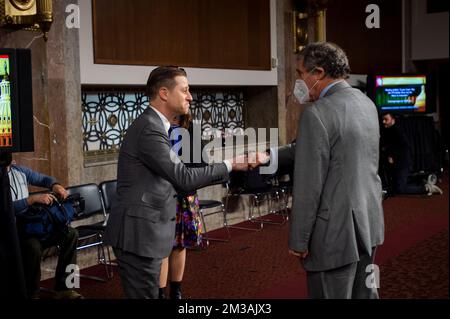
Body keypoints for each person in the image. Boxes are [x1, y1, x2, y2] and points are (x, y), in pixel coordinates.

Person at [253, 42, 384, 299]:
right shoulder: (366, 103)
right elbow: (331, 148)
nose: (299, 81)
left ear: (319, 73)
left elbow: (308, 187)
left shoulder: (317, 114)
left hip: (333, 232)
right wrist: (268, 156)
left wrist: (299, 241)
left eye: (301, 74)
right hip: (368, 221)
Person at [104, 66, 248, 299]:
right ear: (164, 93)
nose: (190, 96)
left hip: (146, 230)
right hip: (137, 234)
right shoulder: (150, 129)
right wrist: (231, 164)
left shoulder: (159, 125)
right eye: (185, 90)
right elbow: (183, 177)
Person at [7, 160, 82, 299]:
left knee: (72, 234)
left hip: (33, 225)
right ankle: (32, 293)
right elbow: (5, 208)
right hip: (14, 231)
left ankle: (66, 288)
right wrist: (32, 199)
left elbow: (42, 178)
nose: (13, 159)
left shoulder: (19, 170)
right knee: (33, 246)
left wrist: (55, 185)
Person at [159, 113, 204, 299]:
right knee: (163, 247)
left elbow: (199, 162)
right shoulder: (158, 125)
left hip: (185, 195)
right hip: (164, 194)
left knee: (180, 245)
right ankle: (160, 293)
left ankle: (176, 291)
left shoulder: (191, 127)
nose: (188, 98)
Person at [380, 112, 442, 196]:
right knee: (395, 188)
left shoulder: (397, 130)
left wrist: (391, 155)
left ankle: (427, 188)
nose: (383, 121)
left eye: (386, 119)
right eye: (383, 120)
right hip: (397, 164)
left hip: (403, 164)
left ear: (393, 120)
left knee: (400, 189)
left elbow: (404, 146)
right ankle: (422, 183)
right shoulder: (388, 131)